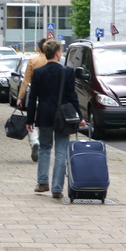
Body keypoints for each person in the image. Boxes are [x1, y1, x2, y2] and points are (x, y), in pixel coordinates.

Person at [26, 40, 85, 199]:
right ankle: (57, 188)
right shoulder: (67, 72)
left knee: (45, 148)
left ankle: (42, 182)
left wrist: (29, 119)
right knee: (61, 152)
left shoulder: (39, 72)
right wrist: (79, 118)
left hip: (44, 115)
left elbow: (33, 98)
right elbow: (73, 97)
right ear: (58, 53)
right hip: (63, 118)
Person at [17, 38, 48, 162]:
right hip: (49, 97)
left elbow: (26, 80)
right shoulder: (55, 61)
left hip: (34, 95)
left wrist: (20, 97)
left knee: (32, 121)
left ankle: (35, 143)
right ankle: (42, 144)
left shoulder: (33, 61)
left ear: (39, 49)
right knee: (45, 123)